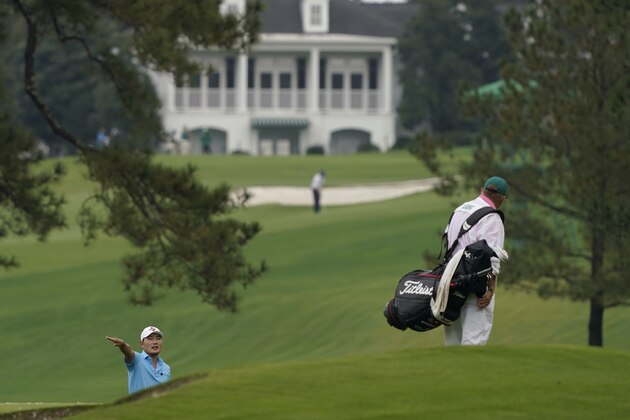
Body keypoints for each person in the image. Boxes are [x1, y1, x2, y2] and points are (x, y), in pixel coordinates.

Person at [443, 176, 508, 346]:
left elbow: (448, 243)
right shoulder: (492, 217)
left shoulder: (459, 210)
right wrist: (490, 290)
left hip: (450, 283)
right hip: (475, 287)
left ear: (482, 190)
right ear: (501, 197)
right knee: (473, 343)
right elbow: (493, 257)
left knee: (452, 342)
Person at [106, 326, 171, 394]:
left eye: (158, 338)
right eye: (150, 338)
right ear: (142, 344)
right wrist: (123, 345)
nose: (155, 342)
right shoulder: (137, 359)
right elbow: (129, 353)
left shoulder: (166, 368)